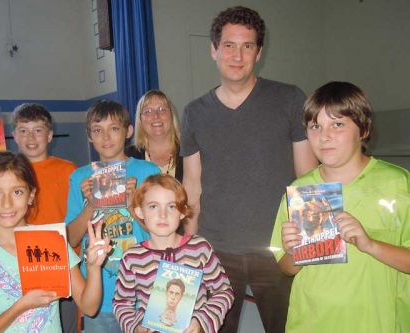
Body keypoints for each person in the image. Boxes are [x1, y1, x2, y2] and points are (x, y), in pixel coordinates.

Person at [180, 6, 318, 332]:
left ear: (259, 52)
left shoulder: (289, 99)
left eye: (247, 46)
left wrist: (312, 243)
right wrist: (186, 249)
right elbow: (192, 187)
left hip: (279, 249)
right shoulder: (195, 113)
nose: (237, 55)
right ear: (213, 49)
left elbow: (307, 179)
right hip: (216, 251)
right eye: (228, 45)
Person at [270, 81, 410, 332]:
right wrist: (293, 252)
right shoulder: (300, 193)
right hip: (311, 323)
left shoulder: (397, 184)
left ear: (363, 129)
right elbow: (285, 268)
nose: (324, 136)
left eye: (338, 124)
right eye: (315, 126)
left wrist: (371, 245)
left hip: (378, 322)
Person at [0, 151, 110, 332]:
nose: (7, 203)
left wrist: (94, 268)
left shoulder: (52, 242)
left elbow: (89, 307)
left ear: (31, 195)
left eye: (17, 192)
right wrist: (21, 306)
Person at [0, 103, 79, 332]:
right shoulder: (3, 173)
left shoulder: (69, 171)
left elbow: (77, 222)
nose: (31, 137)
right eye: (23, 130)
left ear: (50, 135)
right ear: (14, 135)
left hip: (61, 267)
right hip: (18, 270)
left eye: (38, 130)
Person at [64, 100, 160, 333]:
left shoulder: (149, 172)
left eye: (114, 128)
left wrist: (132, 205)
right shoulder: (80, 178)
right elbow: (69, 240)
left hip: (144, 291)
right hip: (100, 293)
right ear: (89, 136)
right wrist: (90, 207)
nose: (106, 137)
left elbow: (163, 234)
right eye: (98, 130)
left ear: (128, 131)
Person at [113, 174, 234, 333]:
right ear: (140, 212)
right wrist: (135, 327)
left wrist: (200, 322)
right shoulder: (132, 257)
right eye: (153, 206)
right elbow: (122, 303)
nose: (163, 214)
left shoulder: (200, 248)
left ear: (182, 212)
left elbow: (223, 292)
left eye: (171, 206)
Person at [125, 90, 183, 182]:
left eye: (162, 110)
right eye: (148, 111)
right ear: (140, 119)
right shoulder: (127, 156)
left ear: (171, 115)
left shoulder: (189, 152)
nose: (156, 116)